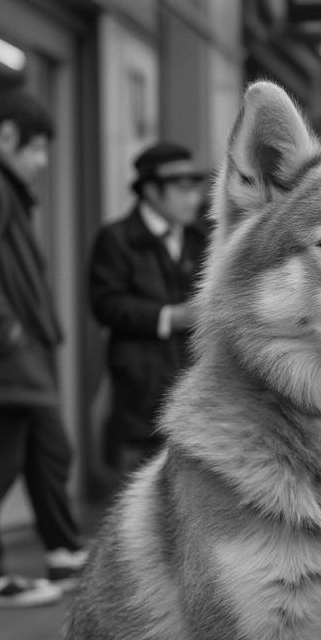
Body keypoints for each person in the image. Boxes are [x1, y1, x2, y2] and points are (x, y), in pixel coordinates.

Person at [0, 90, 87, 609]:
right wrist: (6, 331)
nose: (43, 162)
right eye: (37, 149)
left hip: (19, 348)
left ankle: (65, 552)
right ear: (7, 136)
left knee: (49, 449)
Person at [88, 143, 208, 475]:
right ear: (151, 191)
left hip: (194, 390)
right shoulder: (116, 239)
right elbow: (105, 304)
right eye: (182, 188)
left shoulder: (202, 238)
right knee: (135, 490)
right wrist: (170, 317)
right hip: (139, 392)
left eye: (196, 187)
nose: (193, 198)